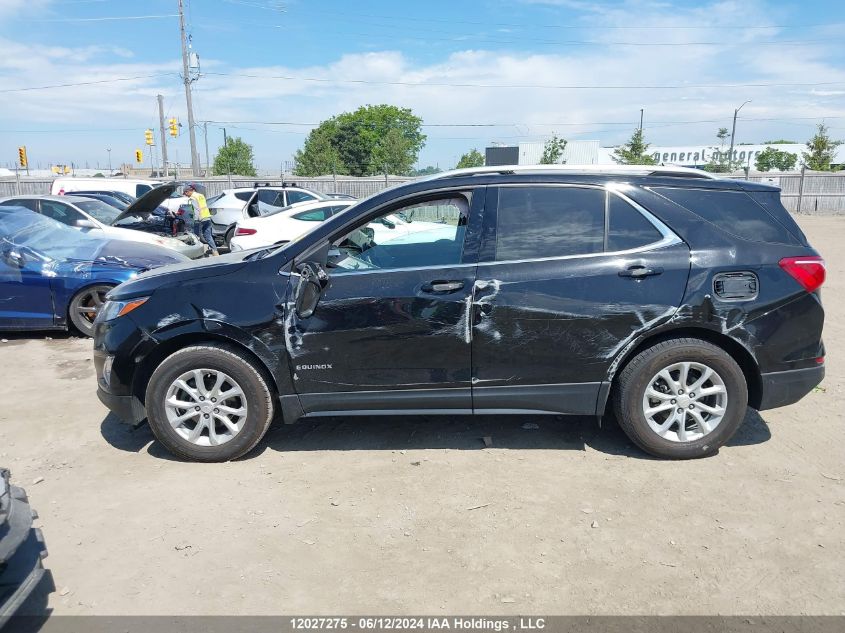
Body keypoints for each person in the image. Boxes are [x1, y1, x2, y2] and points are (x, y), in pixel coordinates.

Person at [184, 183, 218, 256]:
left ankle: (198, 253)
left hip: (200, 219)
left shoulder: (193, 198)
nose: (185, 195)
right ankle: (215, 252)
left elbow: (196, 210)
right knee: (208, 236)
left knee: (195, 237)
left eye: (185, 193)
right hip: (207, 218)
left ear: (188, 191)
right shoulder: (201, 195)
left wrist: (195, 220)